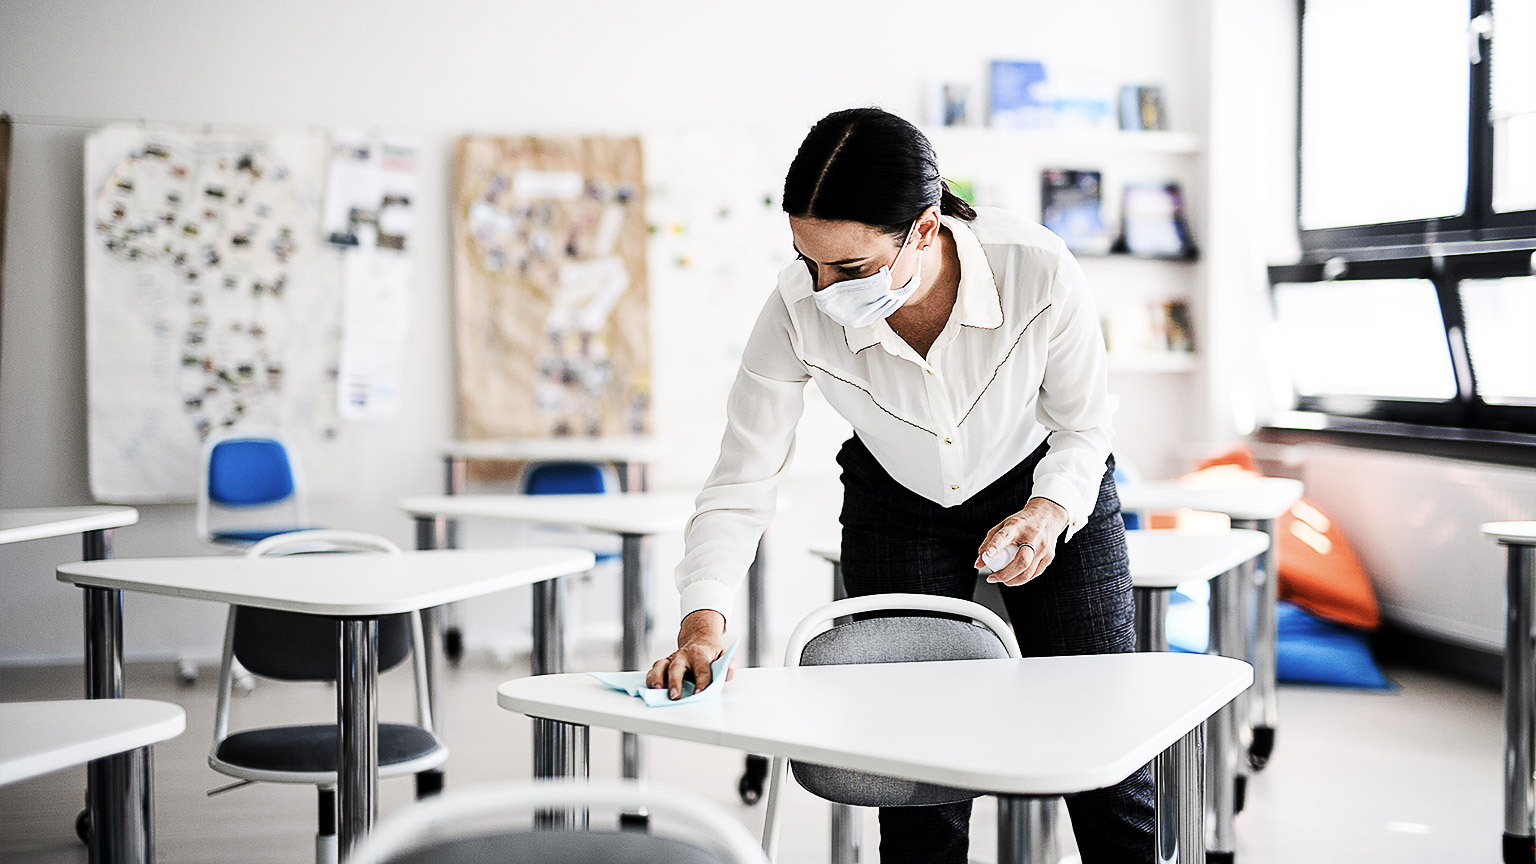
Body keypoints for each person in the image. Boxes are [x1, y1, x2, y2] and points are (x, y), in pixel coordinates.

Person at [645, 107, 1153, 864]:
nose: (821, 290)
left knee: (1106, 750)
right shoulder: (792, 311)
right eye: (806, 260)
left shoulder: (1036, 267)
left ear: (924, 228)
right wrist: (703, 619)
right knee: (915, 775)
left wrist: (1048, 513)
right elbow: (741, 478)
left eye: (847, 269)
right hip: (896, 505)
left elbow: (1084, 427)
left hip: (1044, 489)